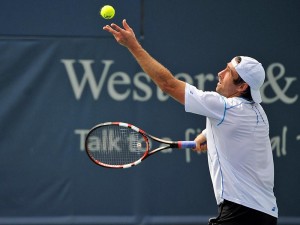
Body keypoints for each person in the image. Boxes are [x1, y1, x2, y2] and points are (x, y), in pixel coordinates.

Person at [103, 19, 278, 225]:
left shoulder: (224, 108)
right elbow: (235, 131)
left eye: (229, 73)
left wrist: (133, 45)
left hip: (240, 213)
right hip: (266, 214)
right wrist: (206, 136)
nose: (220, 74)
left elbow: (168, 84)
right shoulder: (258, 113)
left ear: (242, 87)